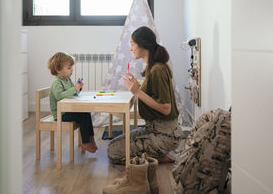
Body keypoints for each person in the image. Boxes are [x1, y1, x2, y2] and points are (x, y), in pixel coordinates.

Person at [107, 26, 183, 164]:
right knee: (113, 145)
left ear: (142, 45)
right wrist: (138, 86)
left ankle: (159, 156)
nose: (131, 49)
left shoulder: (157, 70)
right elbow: (153, 93)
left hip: (164, 135)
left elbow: (166, 109)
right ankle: (159, 154)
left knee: (113, 152)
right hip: (155, 130)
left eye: (132, 44)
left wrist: (137, 92)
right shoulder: (153, 68)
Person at [47, 52, 97, 153]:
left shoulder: (67, 79)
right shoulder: (56, 82)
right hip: (61, 114)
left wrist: (78, 87)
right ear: (58, 69)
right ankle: (86, 142)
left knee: (86, 113)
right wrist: (74, 88)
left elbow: (72, 94)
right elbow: (60, 96)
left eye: (71, 67)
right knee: (83, 116)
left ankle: (91, 138)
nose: (72, 70)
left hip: (67, 110)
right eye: (69, 68)